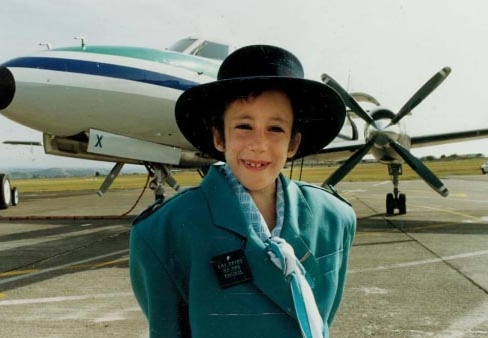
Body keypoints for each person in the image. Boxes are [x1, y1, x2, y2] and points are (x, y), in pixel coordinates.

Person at [129, 44, 356, 338]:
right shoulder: (163, 232)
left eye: (275, 129)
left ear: (293, 143)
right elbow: (167, 328)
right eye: (244, 126)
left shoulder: (335, 218)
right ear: (219, 137)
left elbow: (322, 316)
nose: (259, 144)